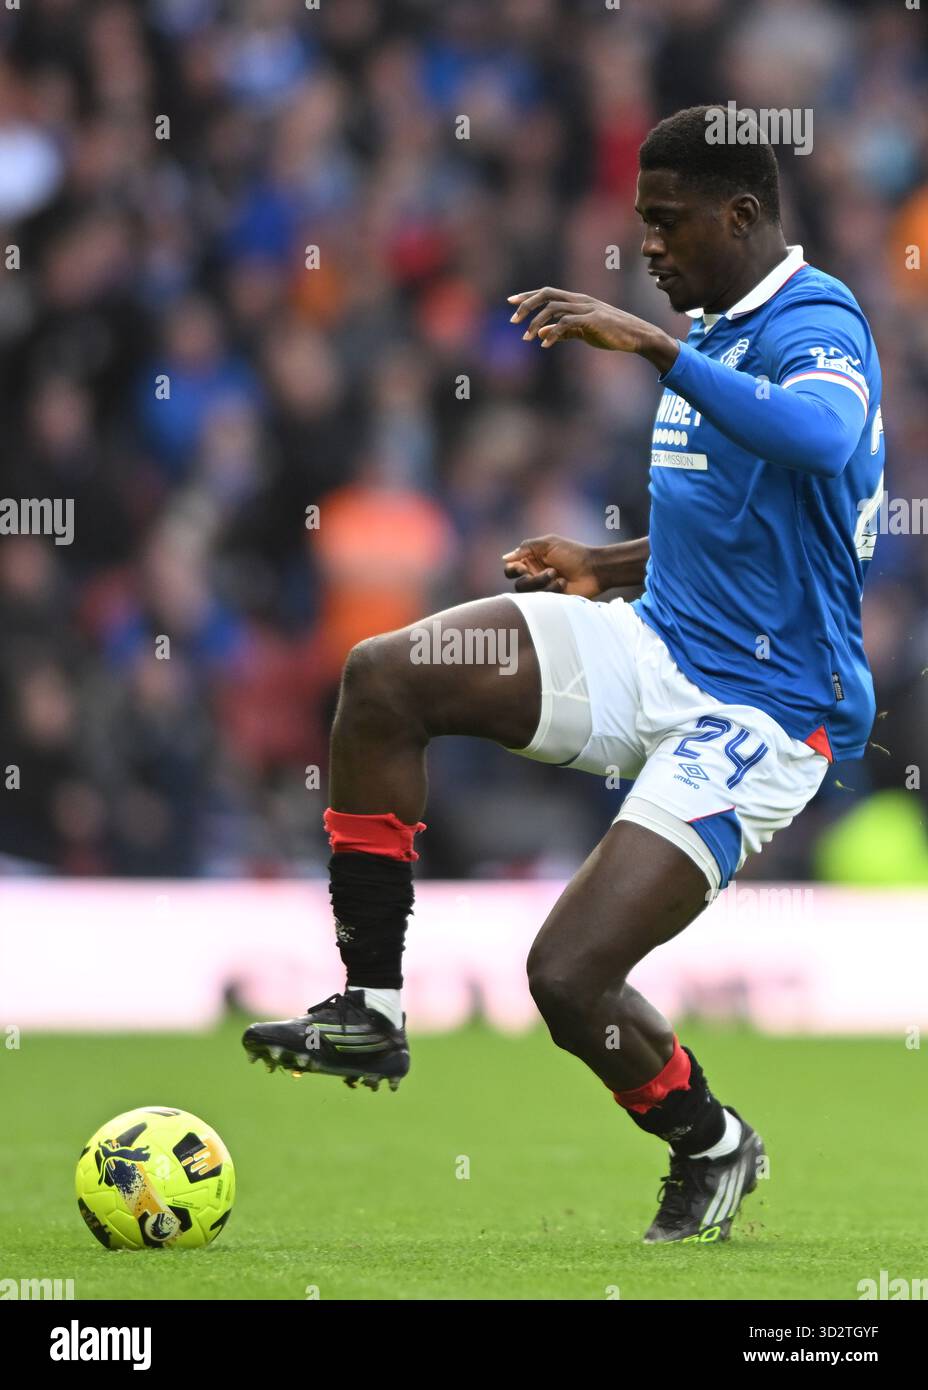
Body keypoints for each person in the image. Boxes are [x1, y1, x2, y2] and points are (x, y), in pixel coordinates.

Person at [243, 107, 884, 1244]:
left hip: (766, 712)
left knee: (567, 976)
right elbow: (746, 522)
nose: (644, 244)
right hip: (655, 640)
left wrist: (650, 346)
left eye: (666, 220)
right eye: (640, 218)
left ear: (738, 216)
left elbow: (823, 444)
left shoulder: (810, 318)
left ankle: (712, 1141)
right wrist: (605, 560)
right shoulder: (717, 324)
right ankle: (372, 1005)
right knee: (387, 674)